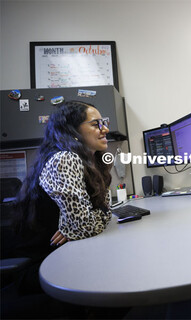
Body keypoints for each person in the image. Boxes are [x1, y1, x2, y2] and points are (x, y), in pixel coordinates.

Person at [11, 101, 112, 300]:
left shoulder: (94, 162)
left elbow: (102, 214)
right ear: (72, 130)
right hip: (44, 265)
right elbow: (85, 226)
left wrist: (80, 226)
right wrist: (82, 226)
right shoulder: (64, 159)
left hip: (68, 254)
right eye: (95, 124)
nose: (105, 129)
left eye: (104, 122)